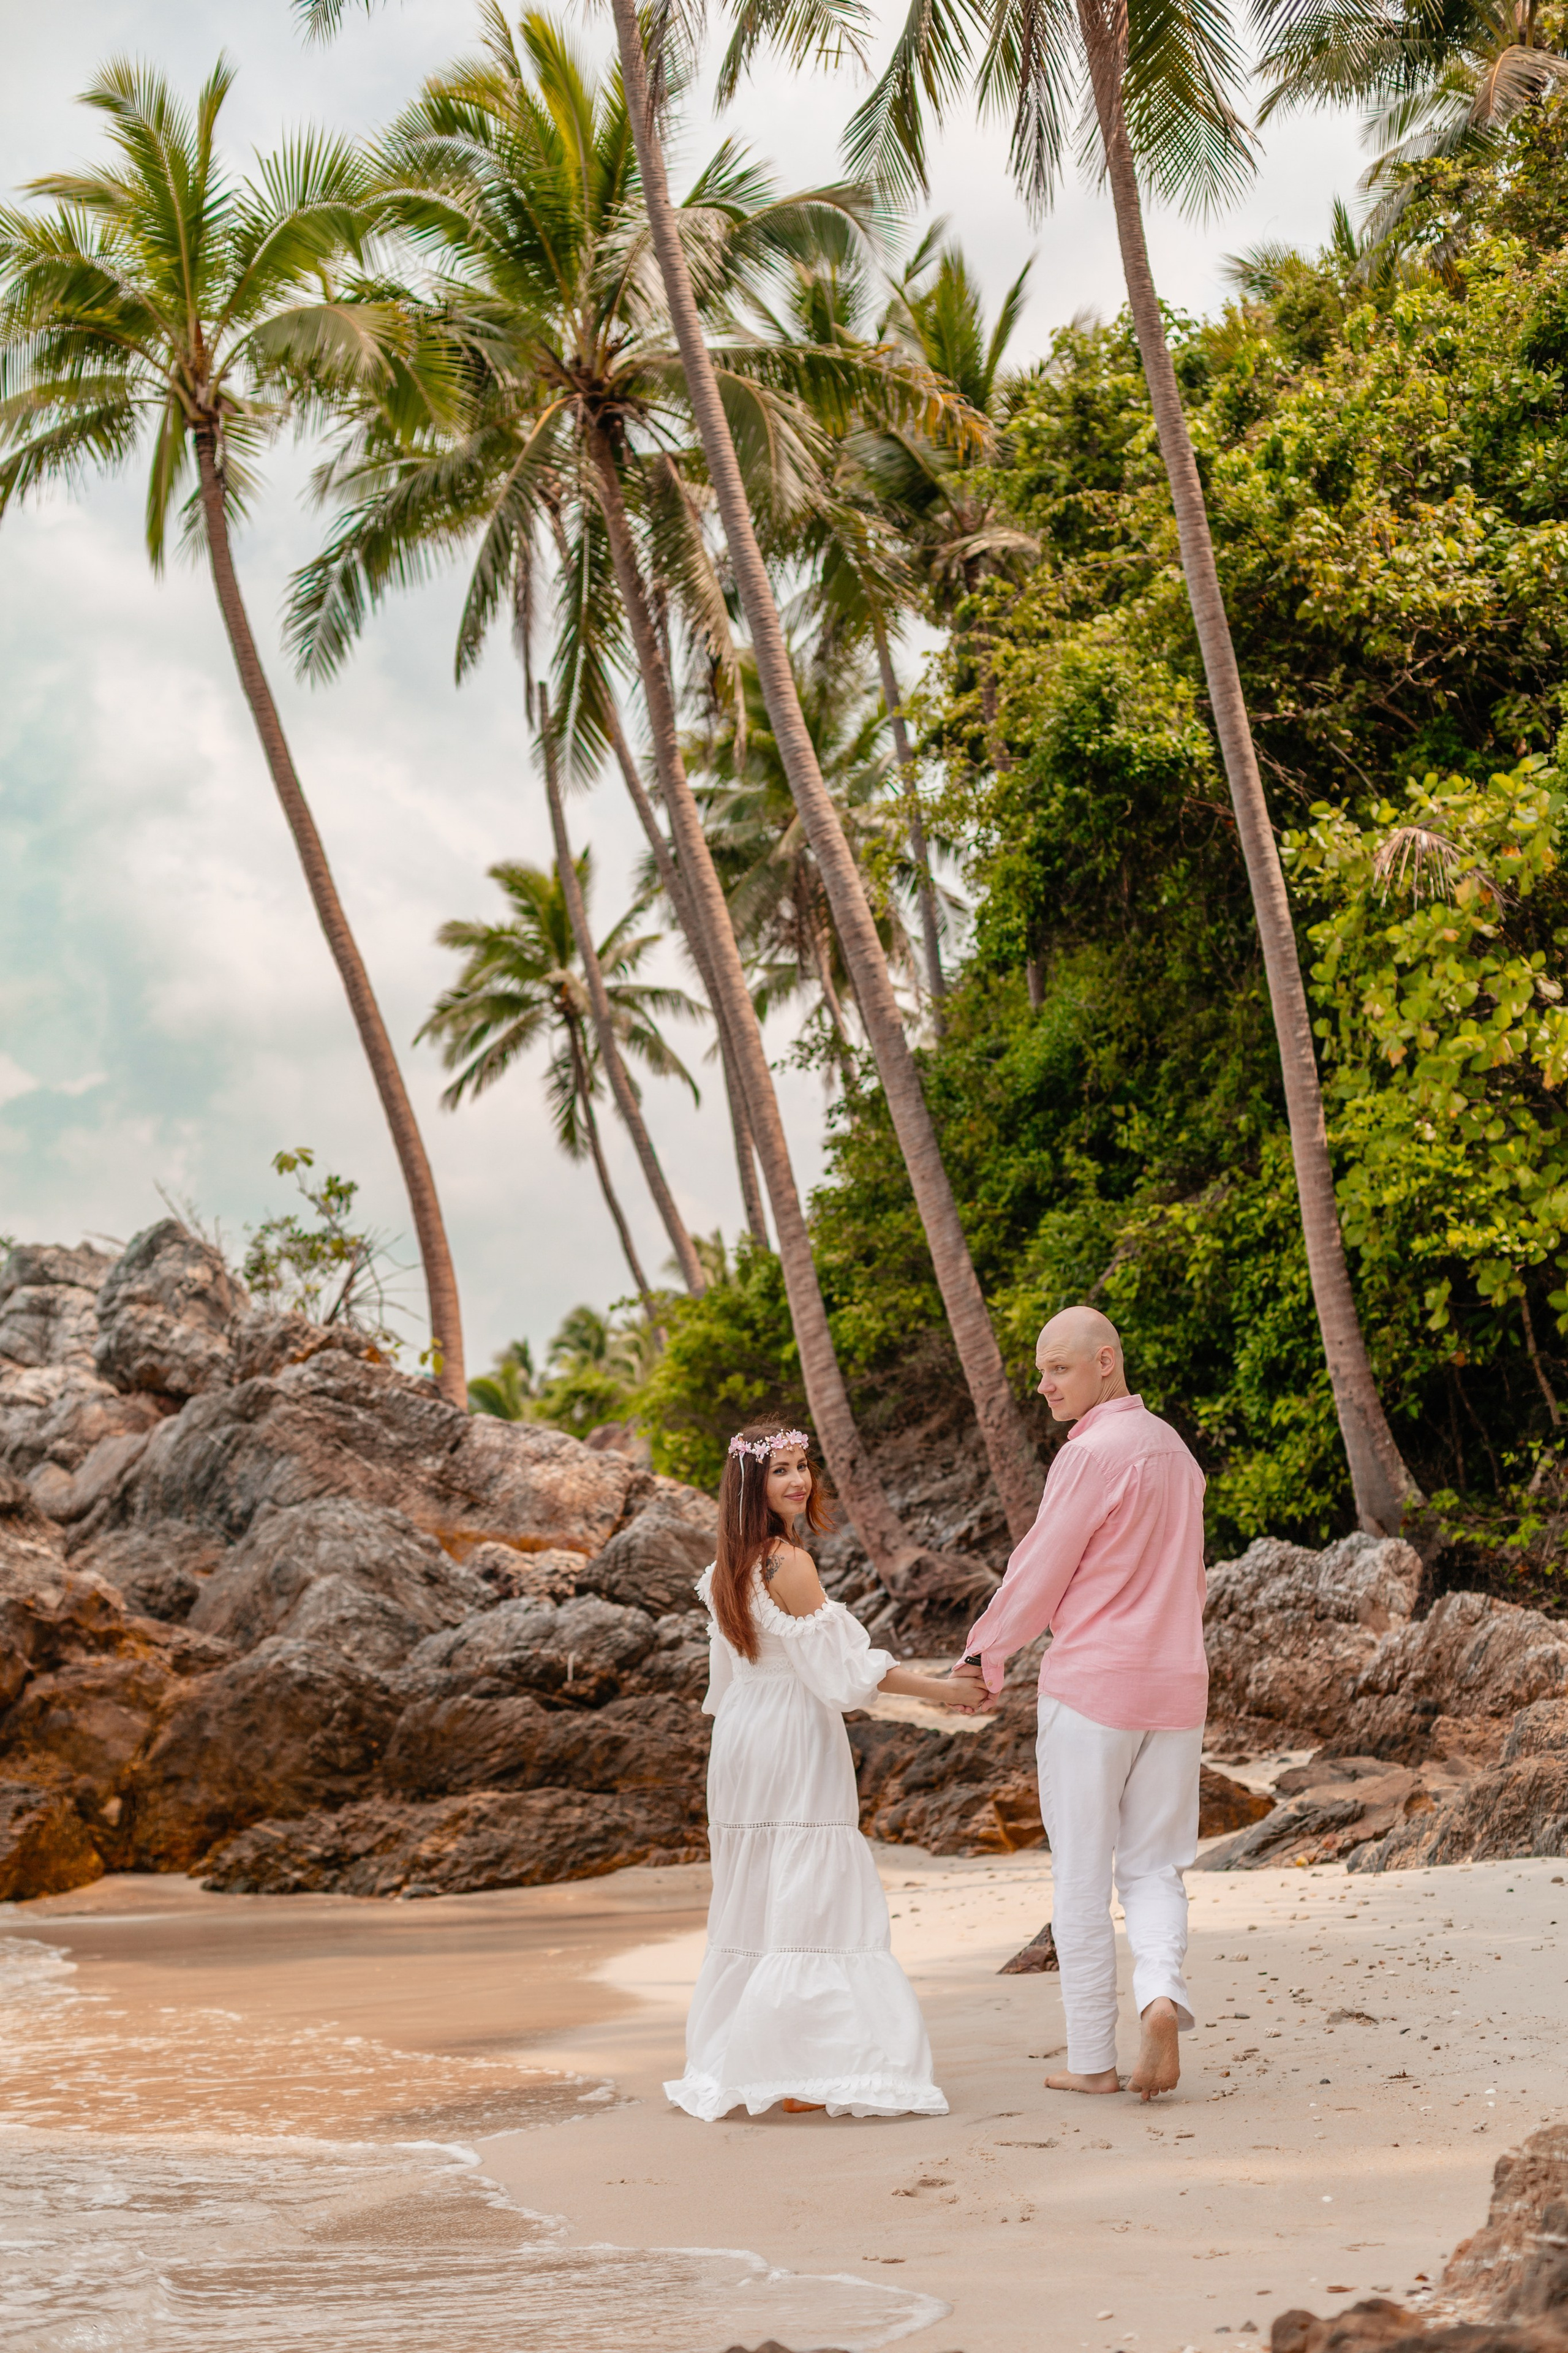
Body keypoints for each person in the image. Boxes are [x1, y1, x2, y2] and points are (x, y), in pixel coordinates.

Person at [665, 1421, 984, 2123]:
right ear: (753, 1482)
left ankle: (753, 2057)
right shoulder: (786, 1563)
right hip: (790, 1738)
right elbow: (843, 1676)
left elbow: (726, 1681)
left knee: (758, 1896)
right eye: (779, 1469)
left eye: (802, 1465)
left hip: (742, 1742)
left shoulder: (724, 1567)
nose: (797, 1480)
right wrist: (946, 1689)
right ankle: (804, 2066)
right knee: (811, 1896)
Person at [952, 1307, 1207, 2104]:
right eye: (1040, 1371)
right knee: (1156, 1866)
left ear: (1106, 1362)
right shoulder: (1178, 1453)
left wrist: (985, 1655)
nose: (1045, 1385)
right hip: (1174, 1687)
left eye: (1058, 1369)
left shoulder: (1091, 1455)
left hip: (1094, 1689)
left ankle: (1094, 2058)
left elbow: (1040, 1570)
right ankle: (1159, 1996)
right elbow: (1192, 1580)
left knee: (1082, 1874)